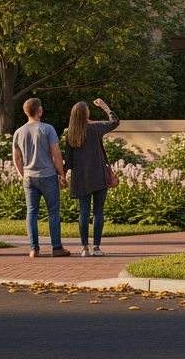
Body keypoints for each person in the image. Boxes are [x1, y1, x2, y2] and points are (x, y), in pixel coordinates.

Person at [12, 97, 70, 258]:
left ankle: (34, 248)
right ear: (39, 110)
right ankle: (57, 247)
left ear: (25, 112)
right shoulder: (47, 129)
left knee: (31, 212)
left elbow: (16, 159)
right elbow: (56, 154)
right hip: (47, 175)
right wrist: (62, 174)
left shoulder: (19, 132)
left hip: (29, 177)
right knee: (53, 212)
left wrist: (22, 174)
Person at [63, 98, 120, 257]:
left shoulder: (71, 133)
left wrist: (62, 176)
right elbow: (115, 122)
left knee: (84, 212)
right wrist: (105, 107)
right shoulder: (96, 128)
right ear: (87, 113)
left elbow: (68, 160)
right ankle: (96, 247)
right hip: (98, 175)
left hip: (80, 178)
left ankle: (84, 248)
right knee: (98, 213)